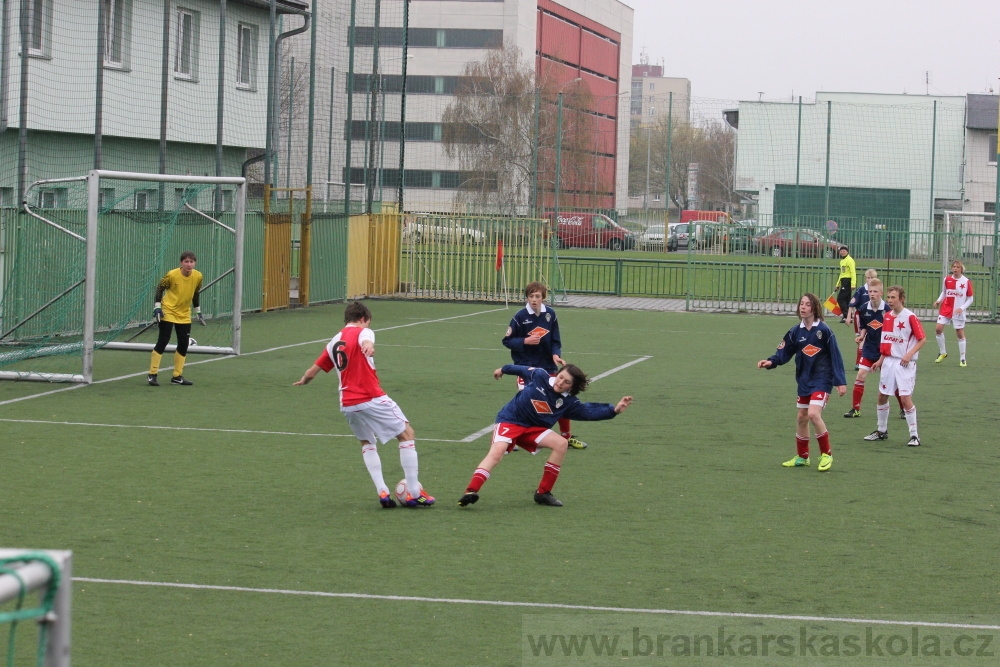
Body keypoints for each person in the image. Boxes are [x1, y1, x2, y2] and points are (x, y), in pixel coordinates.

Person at [294, 301, 434, 508]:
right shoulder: (363, 332)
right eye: (368, 322)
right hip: (370, 396)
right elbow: (366, 339)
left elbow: (313, 371)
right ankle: (414, 492)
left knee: (367, 443)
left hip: (347, 403)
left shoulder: (334, 341)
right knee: (407, 434)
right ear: (362, 319)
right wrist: (369, 345)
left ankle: (382, 491)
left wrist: (304, 380)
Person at [458, 364, 632, 507]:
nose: (561, 382)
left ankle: (543, 493)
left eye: (567, 382)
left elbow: (588, 412)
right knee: (497, 452)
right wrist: (502, 370)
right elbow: (519, 369)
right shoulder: (540, 375)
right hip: (510, 421)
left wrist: (614, 411)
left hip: (534, 429)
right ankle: (471, 491)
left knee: (561, 444)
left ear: (572, 387)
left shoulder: (568, 402)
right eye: (561, 377)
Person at [757, 293, 847, 472]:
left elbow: (835, 355)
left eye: (807, 304)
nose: (803, 307)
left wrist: (840, 381)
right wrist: (771, 362)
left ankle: (826, 454)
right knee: (801, 417)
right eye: (801, 304)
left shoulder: (824, 330)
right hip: (805, 380)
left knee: (813, 414)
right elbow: (783, 352)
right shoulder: (795, 331)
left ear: (814, 308)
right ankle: (802, 457)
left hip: (823, 379)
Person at [502, 282, 587, 450]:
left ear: (543, 297)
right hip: (527, 368)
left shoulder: (550, 314)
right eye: (531, 296)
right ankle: (511, 438)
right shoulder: (520, 316)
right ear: (527, 297)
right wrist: (525, 341)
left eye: (537, 296)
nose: (534, 300)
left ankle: (566, 437)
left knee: (560, 399)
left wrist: (556, 354)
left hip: (548, 367)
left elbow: (555, 340)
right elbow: (507, 341)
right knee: (526, 402)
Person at [864, 286, 926, 447]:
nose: (890, 301)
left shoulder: (910, 317)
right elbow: (886, 341)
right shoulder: (887, 317)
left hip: (904, 363)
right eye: (889, 297)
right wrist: (880, 360)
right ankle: (881, 431)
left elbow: (922, 339)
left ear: (902, 299)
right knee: (882, 395)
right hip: (888, 362)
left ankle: (914, 436)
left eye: (893, 297)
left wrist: (909, 354)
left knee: (905, 398)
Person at [147, 250, 206, 386]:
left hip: (184, 314)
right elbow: (159, 288)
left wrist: (198, 311)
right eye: (186, 261)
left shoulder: (198, 276)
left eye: (191, 262)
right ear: (181, 263)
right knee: (163, 340)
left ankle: (177, 376)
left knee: (183, 343)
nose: (189, 264)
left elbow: (196, 293)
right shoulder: (172, 275)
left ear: (195, 263)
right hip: (168, 311)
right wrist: (157, 307)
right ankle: (152, 374)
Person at [844, 279, 891, 418]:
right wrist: (861, 336)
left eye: (875, 291)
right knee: (860, 375)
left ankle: (903, 408)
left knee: (891, 381)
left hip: (884, 351)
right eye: (870, 291)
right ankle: (855, 409)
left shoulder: (888, 309)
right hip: (869, 348)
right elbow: (864, 326)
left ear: (881, 293)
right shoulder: (864, 308)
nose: (872, 294)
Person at [932, 260, 973, 367]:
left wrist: (961, 308)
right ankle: (943, 352)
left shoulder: (966, 281)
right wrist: (938, 301)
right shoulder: (947, 279)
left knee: (959, 333)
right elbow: (944, 292)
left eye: (957, 267)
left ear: (961, 269)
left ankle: (962, 358)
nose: (955, 268)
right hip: (946, 309)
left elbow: (970, 298)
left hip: (957, 312)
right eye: (954, 266)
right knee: (938, 329)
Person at [845, 268, 879, 369]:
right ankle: (859, 362)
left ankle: (873, 359)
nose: (870, 280)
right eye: (868, 278)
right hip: (860, 317)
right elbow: (852, 304)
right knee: (862, 338)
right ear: (865, 279)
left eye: (872, 278)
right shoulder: (861, 290)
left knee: (874, 337)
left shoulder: (877, 290)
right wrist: (848, 316)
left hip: (873, 317)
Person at [835, 246, 856, 323]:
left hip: (848, 281)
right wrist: (838, 284)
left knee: (840, 299)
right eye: (841, 251)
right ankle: (848, 317)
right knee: (846, 299)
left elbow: (853, 272)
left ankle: (847, 316)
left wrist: (853, 283)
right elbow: (842, 273)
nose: (842, 252)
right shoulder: (842, 261)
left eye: (844, 251)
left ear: (847, 252)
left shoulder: (850, 260)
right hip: (843, 281)